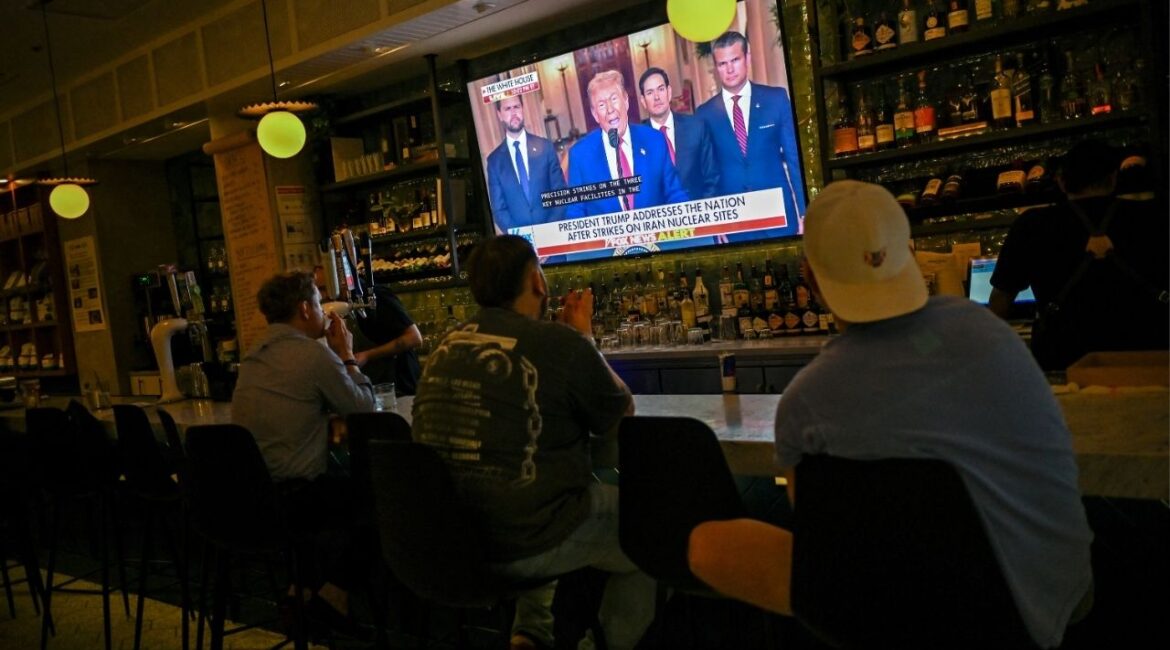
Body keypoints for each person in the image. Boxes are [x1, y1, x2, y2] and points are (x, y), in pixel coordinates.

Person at [686, 181, 1094, 649]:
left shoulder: (807, 400)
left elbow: (818, 540)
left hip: (921, 613)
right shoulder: (990, 330)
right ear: (910, 253)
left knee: (706, 544)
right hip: (1055, 598)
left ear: (810, 278)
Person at [411, 235, 653, 650]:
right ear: (537, 282)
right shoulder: (560, 342)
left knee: (541, 490)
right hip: (527, 538)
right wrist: (584, 336)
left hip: (454, 540)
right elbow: (620, 415)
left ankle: (531, 636)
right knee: (655, 528)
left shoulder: (444, 348)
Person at [232, 270, 377, 627]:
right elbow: (363, 410)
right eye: (318, 302)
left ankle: (301, 588)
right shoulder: (313, 355)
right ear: (304, 309)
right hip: (294, 500)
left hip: (250, 500)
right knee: (379, 498)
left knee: (332, 486)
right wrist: (346, 354)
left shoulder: (253, 356)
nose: (324, 312)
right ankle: (334, 594)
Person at [990, 139, 1169, 371]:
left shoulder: (1032, 225)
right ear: (1114, 178)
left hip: (1064, 361)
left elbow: (1000, 300)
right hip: (1148, 359)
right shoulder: (1155, 216)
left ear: (1062, 182)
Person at [696, 31, 806, 240]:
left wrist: (805, 210)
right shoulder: (705, 114)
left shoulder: (776, 99)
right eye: (722, 64)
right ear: (716, 68)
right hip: (736, 223)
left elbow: (794, 159)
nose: (729, 69)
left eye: (735, 60)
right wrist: (714, 222)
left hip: (779, 216)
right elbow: (707, 173)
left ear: (747, 58)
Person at [565, 69, 689, 219]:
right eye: (602, 105)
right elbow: (575, 213)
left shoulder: (654, 140)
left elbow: (675, 194)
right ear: (595, 114)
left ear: (626, 101)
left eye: (614, 99)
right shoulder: (580, 155)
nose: (610, 109)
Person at [487, 94, 568, 233]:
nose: (514, 113)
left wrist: (548, 236)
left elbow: (560, 194)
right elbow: (499, 210)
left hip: (554, 241)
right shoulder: (494, 161)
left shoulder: (546, 147)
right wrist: (525, 240)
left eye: (517, 107)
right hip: (521, 249)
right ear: (499, 115)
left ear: (523, 109)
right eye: (507, 109)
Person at [638, 66, 719, 200]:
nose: (657, 97)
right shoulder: (637, 139)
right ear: (643, 101)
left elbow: (712, 177)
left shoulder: (696, 127)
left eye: (661, 89)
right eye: (650, 93)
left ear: (669, 92)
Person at [352, 284, 423, 394]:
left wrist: (367, 355)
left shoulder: (376, 295)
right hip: (372, 385)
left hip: (399, 383)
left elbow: (414, 338)